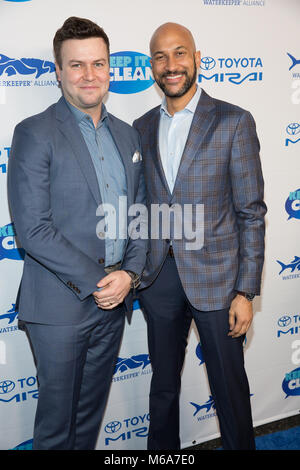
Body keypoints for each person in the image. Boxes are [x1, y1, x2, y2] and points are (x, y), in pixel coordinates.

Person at [8, 16, 147, 450]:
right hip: (58, 305)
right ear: (58, 71)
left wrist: (130, 275)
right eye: (77, 65)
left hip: (114, 300)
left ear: (110, 68)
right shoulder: (34, 132)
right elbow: (32, 229)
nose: (90, 75)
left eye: (98, 63)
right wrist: (100, 280)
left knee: (88, 419)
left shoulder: (127, 136)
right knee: (55, 428)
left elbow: (140, 216)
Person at [133, 22, 267, 450]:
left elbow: (251, 213)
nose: (170, 65)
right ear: (150, 66)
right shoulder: (139, 127)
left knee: (229, 389)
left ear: (197, 59)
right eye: (160, 56)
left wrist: (246, 290)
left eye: (179, 53)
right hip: (160, 281)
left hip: (219, 283)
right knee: (163, 391)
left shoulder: (233, 121)